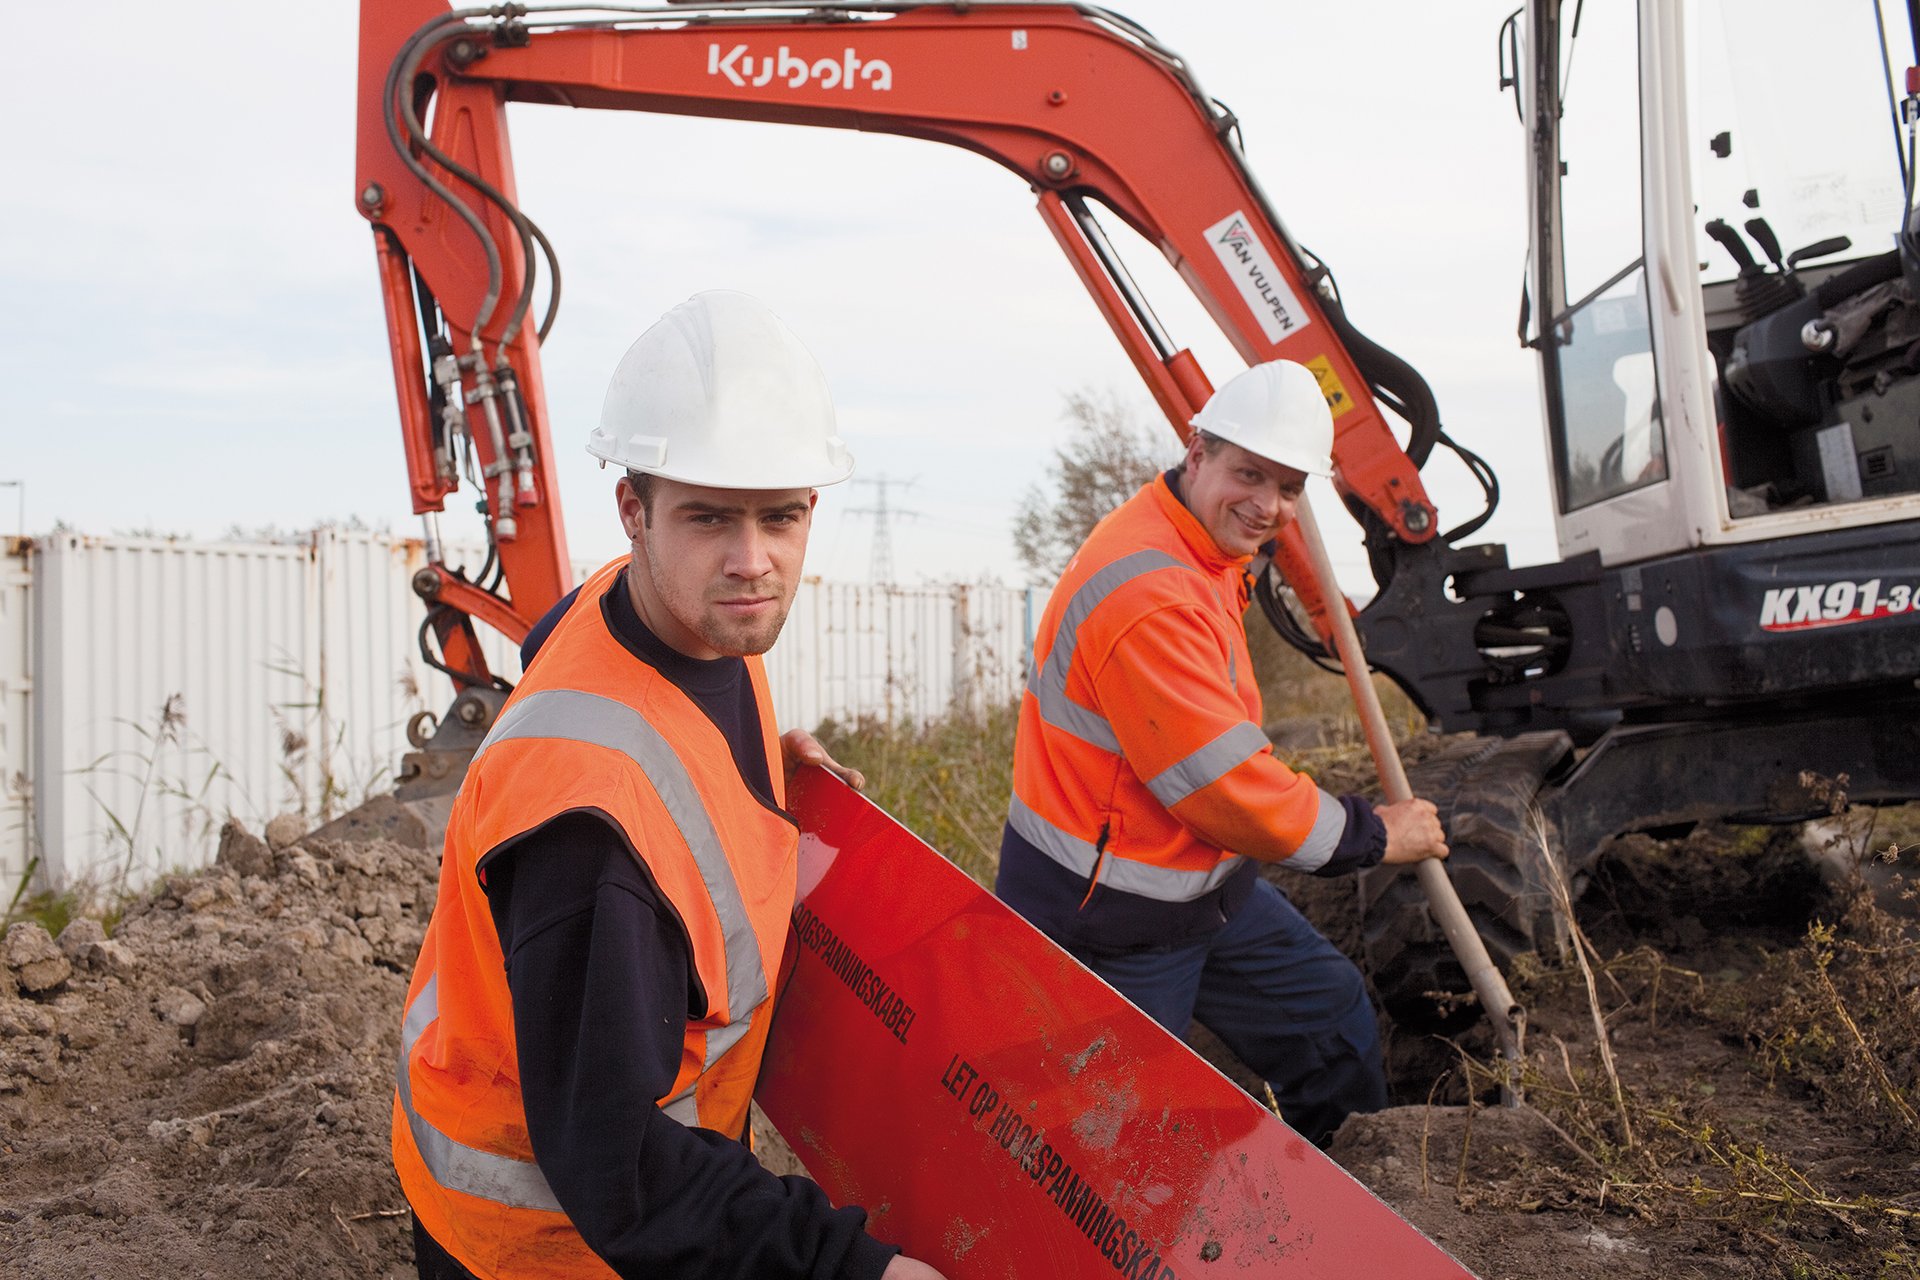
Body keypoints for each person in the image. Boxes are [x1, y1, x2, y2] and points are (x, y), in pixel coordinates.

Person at [392, 291, 946, 1280]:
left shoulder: (659, 607)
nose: (751, 561)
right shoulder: (588, 833)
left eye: (780, 518)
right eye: (709, 518)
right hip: (550, 1244)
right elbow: (617, 1162)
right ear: (634, 512)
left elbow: (597, 674)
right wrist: (852, 1269)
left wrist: (752, 758)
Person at [994, 359, 1449, 1148]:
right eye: (1249, 473)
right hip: (1110, 917)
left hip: (1200, 890)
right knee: (1113, 1140)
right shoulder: (1151, 591)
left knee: (1330, 1021)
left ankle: (1346, 1210)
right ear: (1196, 450)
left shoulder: (1200, 550)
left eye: (1290, 487)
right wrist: (1377, 834)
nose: (1269, 505)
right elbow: (1231, 789)